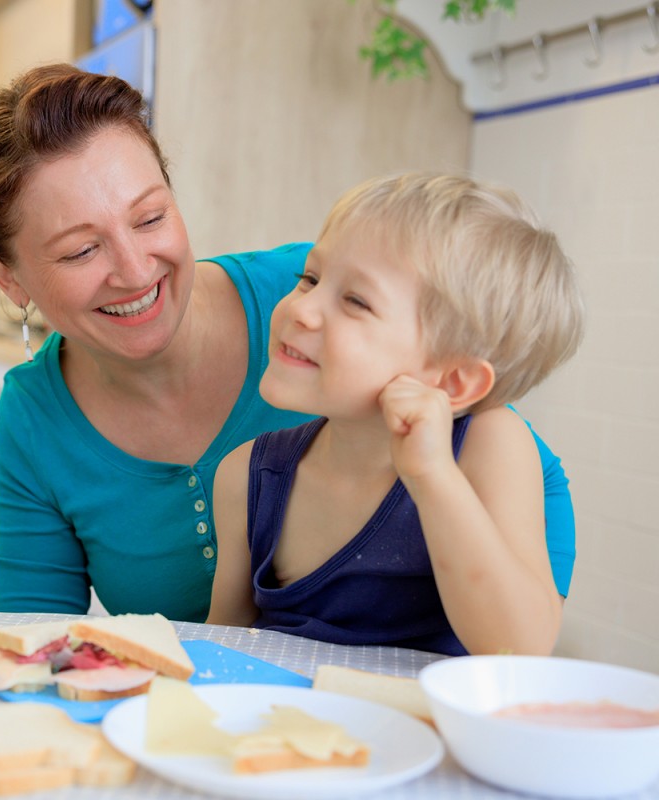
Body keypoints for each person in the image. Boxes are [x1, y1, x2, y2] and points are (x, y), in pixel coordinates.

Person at [0, 65, 574, 622]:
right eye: (82, 249)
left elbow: (491, 437)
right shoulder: (41, 415)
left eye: (149, 217)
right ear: (8, 275)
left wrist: (482, 620)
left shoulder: (310, 302)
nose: (135, 269)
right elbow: (39, 637)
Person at [206, 173, 585, 655]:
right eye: (311, 278)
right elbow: (219, 643)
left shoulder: (490, 445)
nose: (303, 309)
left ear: (452, 383)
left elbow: (521, 650)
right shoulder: (245, 475)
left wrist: (432, 475)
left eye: (356, 301)